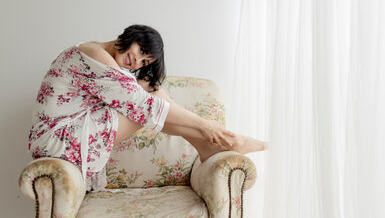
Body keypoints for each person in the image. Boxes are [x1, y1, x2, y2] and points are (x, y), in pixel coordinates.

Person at [28, 24, 265, 191]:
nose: (136, 61)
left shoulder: (103, 58)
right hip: (57, 139)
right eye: (140, 51)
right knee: (143, 102)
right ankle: (221, 140)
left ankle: (207, 144)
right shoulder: (93, 53)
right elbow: (141, 103)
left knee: (146, 87)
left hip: (66, 134)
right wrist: (205, 124)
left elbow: (141, 95)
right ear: (130, 35)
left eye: (144, 61)